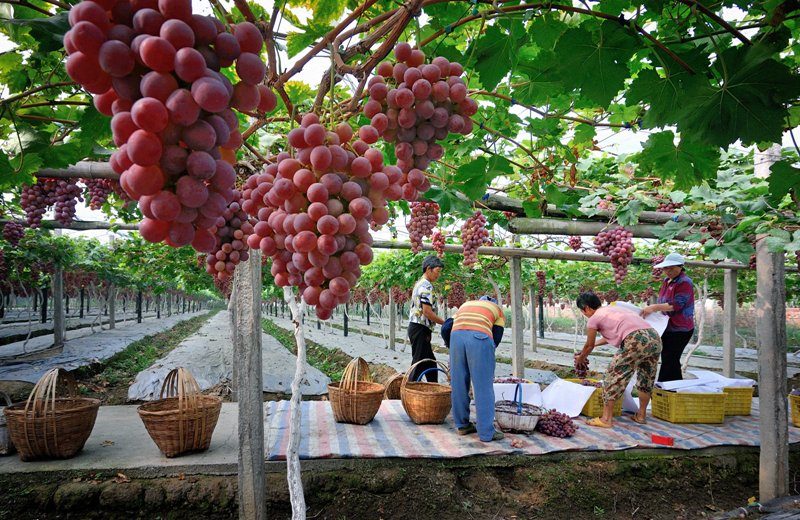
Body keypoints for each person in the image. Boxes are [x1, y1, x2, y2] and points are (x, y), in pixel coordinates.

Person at [574, 292, 662, 428]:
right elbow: (616, 333)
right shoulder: (614, 309)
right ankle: (641, 415)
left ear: (586, 308)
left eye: (582, 311)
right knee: (646, 377)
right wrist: (595, 345)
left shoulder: (594, 318)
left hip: (635, 340)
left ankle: (606, 419)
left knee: (613, 376)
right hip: (654, 337)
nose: (584, 314)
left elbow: (588, 345)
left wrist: (581, 358)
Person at [449, 296, 506, 442]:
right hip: (479, 337)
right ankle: (486, 432)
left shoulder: (465, 304)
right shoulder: (498, 310)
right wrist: (485, 354)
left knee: (459, 383)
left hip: (455, 336)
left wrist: (452, 346)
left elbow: (446, 326)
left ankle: (462, 425)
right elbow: (497, 337)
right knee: (483, 386)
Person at [641, 253, 695, 382]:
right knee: (669, 359)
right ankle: (672, 388)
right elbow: (664, 301)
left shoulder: (684, 282)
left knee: (670, 358)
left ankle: (665, 387)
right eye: (666, 268)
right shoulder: (667, 281)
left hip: (680, 329)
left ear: (681, 267)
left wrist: (654, 308)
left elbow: (676, 305)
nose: (668, 271)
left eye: (671, 268)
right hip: (667, 326)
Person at [407, 256, 445, 382]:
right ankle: (408, 391)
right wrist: (446, 323)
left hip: (418, 328)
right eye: (438, 271)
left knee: (430, 364)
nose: (438, 275)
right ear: (429, 269)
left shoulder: (420, 283)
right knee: (419, 362)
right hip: (420, 328)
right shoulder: (426, 285)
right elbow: (427, 312)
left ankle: (433, 390)